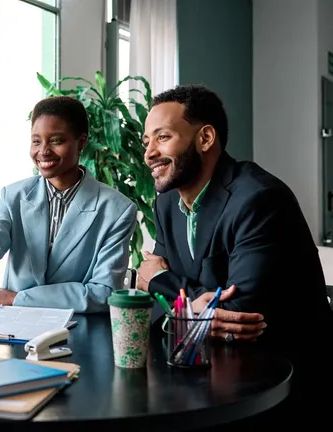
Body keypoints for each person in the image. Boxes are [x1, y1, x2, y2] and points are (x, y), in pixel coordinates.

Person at [137, 84, 332, 420]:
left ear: (206, 138)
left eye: (162, 137)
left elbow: (241, 316)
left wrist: (161, 282)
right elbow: (158, 312)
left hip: (281, 388)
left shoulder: (259, 199)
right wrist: (190, 305)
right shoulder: (166, 203)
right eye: (146, 142)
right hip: (203, 379)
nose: (149, 153)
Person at [0, 96, 137, 312]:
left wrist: (19, 298)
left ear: (81, 143)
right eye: (36, 141)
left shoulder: (117, 209)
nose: (43, 151)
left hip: (79, 331)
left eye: (56, 141)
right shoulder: (13, 195)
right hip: (15, 329)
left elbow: (103, 292)